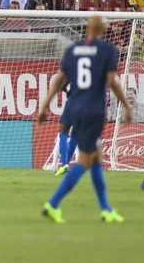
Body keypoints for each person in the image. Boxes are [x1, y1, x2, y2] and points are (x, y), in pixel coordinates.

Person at [37, 16, 132, 224]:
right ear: (104, 30)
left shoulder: (72, 51)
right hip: (94, 111)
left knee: (97, 158)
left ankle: (106, 209)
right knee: (84, 162)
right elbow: (112, 81)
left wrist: (44, 107)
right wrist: (126, 105)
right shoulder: (108, 51)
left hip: (75, 109)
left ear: (87, 28)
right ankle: (53, 204)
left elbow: (58, 81)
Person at [54, 79, 79, 176]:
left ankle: (64, 164)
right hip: (85, 106)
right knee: (75, 134)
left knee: (63, 132)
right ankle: (65, 165)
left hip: (72, 103)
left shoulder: (73, 67)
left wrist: (68, 92)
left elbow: (63, 86)